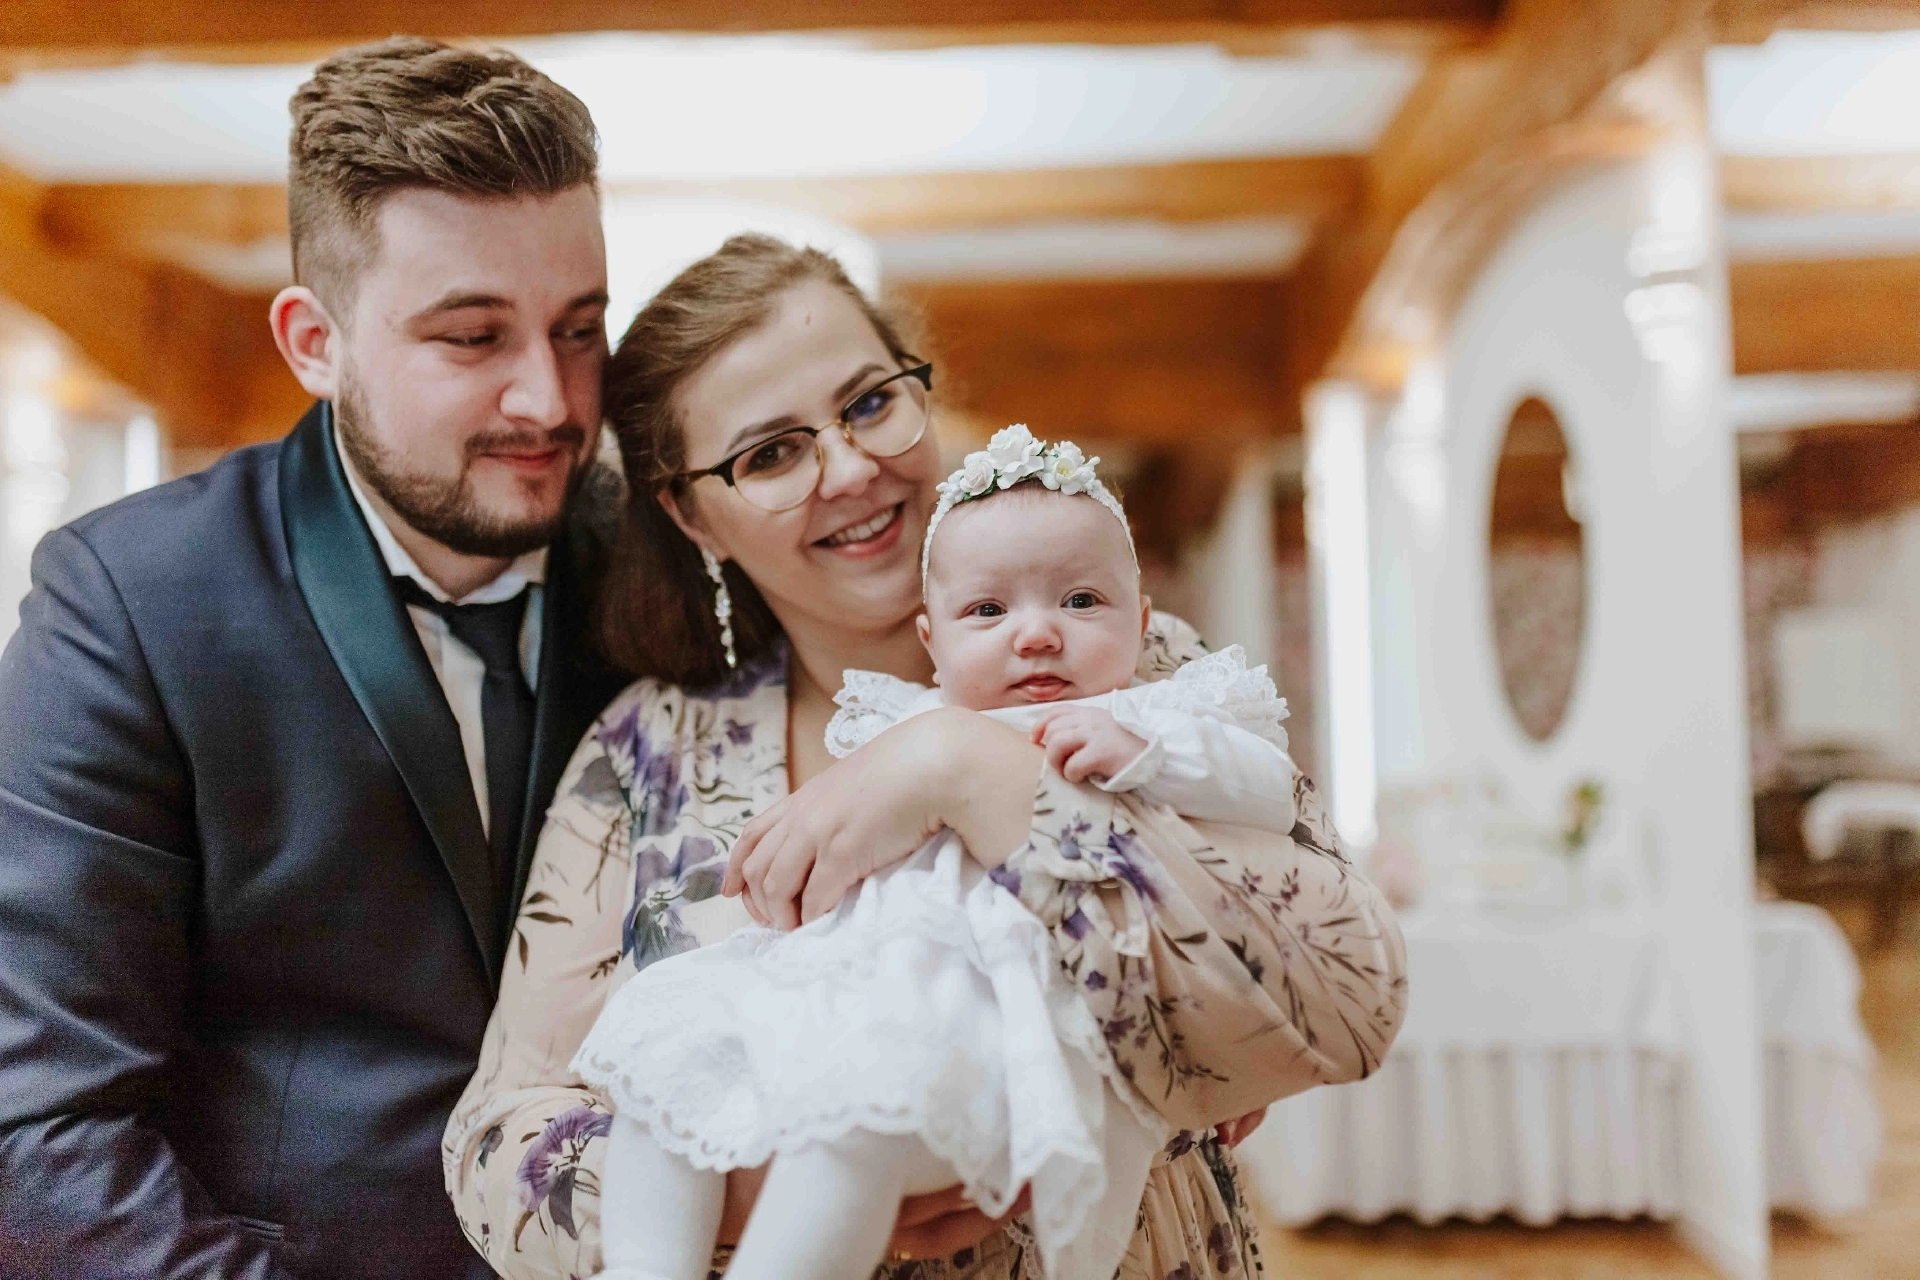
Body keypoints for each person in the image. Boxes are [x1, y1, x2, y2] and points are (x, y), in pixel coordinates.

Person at [444, 233, 1407, 1279]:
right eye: (771, 454)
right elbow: (496, 1133)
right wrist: (763, 1183)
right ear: (690, 516)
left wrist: (960, 767)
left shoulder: (1136, 672)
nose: (854, 468)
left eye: (869, 403)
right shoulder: (647, 757)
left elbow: (1351, 992)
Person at [0, 38, 626, 1279]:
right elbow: (38, 1133)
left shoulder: (681, 566)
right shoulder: (132, 603)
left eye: (580, 328)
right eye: (472, 336)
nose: (551, 401)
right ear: (312, 341)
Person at [574, 426, 1308, 1280]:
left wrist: (1149, 754)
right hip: (860, 987)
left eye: (1080, 601)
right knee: (675, 1066)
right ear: (933, 642)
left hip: (995, 1013)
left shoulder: (1156, 716)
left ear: (1141, 623)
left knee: (850, 1132)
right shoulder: (903, 731)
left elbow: (1272, 795)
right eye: (988, 611)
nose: (1037, 634)